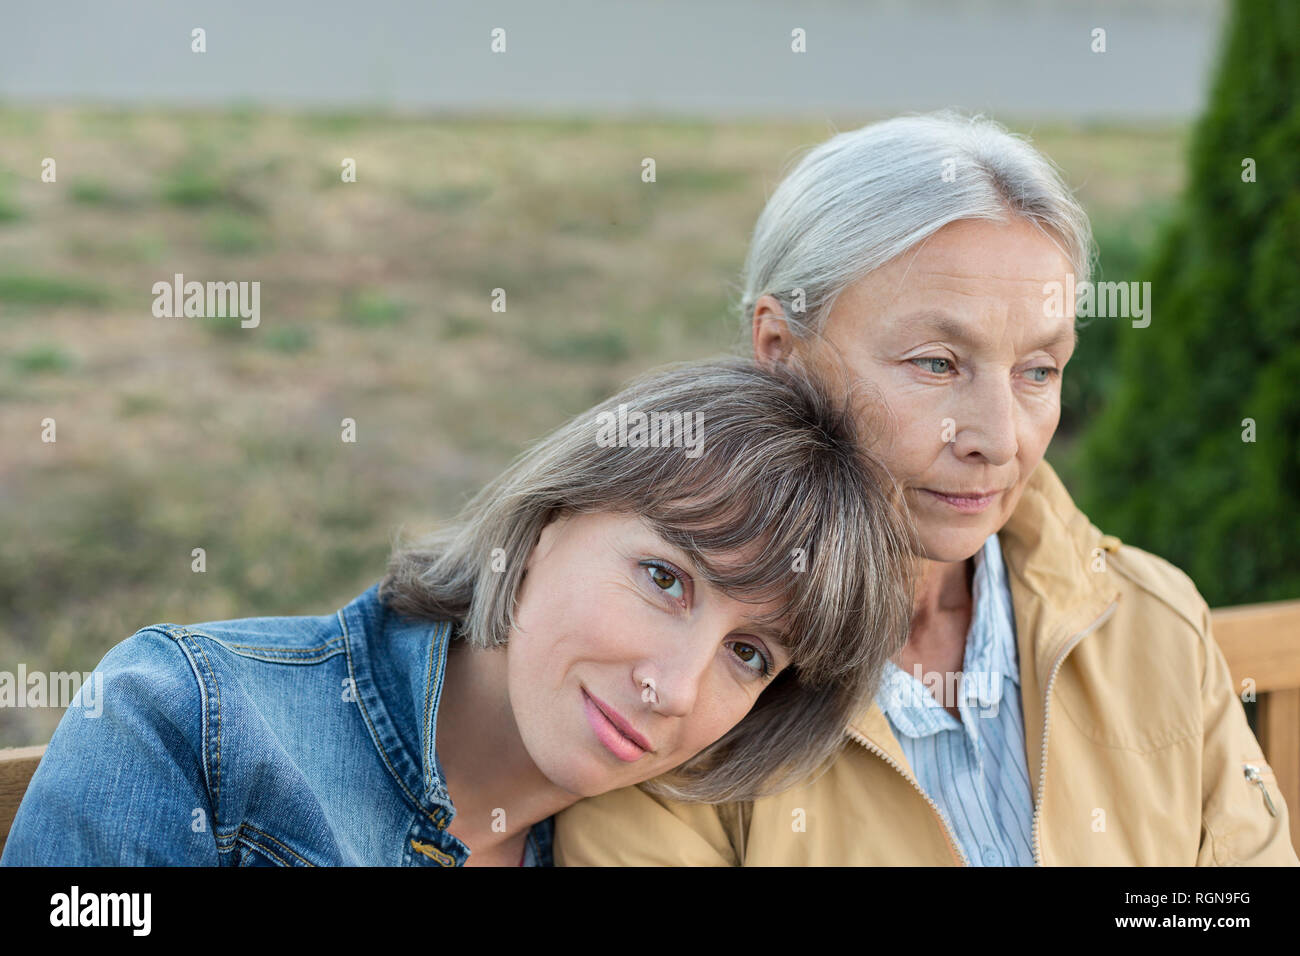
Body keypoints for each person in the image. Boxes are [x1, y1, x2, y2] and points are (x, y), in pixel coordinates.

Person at [553, 112, 1299, 865]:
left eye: (1038, 370)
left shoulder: (1152, 619)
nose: (1000, 440)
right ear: (779, 351)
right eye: (937, 363)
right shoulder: (663, 678)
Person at [1, 358, 915, 866]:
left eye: (750, 654)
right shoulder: (186, 718)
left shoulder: (646, 849)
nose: (674, 689)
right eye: (666, 579)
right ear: (548, 525)